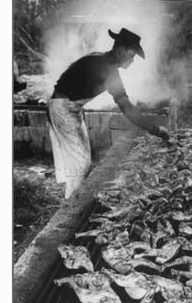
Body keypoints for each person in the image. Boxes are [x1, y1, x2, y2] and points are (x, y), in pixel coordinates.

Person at [47, 28, 170, 198]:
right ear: (121, 50)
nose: (133, 61)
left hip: (71, 107)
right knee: (79, 165)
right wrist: (155, 129)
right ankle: (71, 206)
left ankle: (76, 198)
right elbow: (127, 109)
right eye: (132, 55)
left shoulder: (103, 61)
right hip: (62, 107)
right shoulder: (106, 67)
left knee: (82, 161)